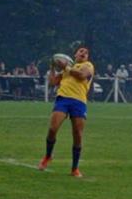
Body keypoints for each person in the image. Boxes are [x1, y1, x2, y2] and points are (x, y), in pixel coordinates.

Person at [39, 47, 95, 177]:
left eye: (86, 53)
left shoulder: (87, 65)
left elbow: (81, 76)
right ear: (75, 54)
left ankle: (74, 168)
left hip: (79, 102)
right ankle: (48, 156)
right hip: (63, 99)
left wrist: (66, 68)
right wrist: (52, 67)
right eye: (81, 51)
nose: (84, 53)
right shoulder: (68, 69)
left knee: (77, 135)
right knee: (53, 128)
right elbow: (53, 82)